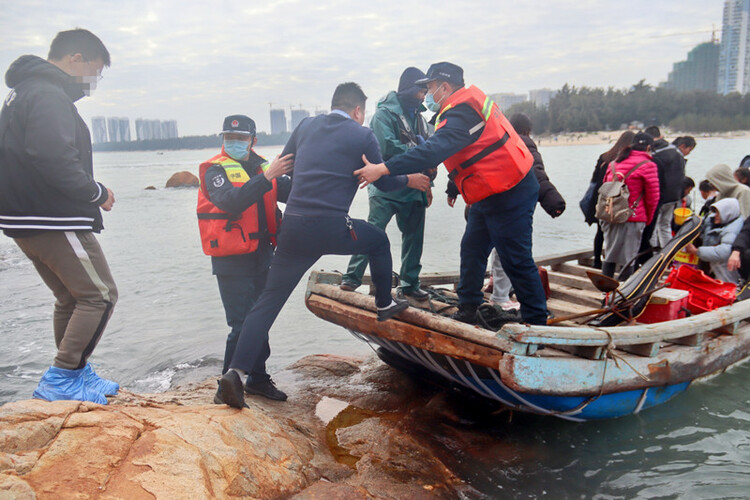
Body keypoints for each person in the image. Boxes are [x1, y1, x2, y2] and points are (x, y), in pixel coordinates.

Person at [219, 82, 414, 408]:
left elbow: (285, 168)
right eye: (362, 115)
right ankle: (383, 305)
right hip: (331, 227)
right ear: (357, 111)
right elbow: (387, 181)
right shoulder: (362, 135)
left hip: (293, 227)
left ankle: (235, 375)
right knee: (378, 241)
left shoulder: (306, 126)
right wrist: (412, 178)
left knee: (267, 301)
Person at [354, 62, 549, 326]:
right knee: (472, 249)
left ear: (445, 87)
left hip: (511, 189)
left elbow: (433, 151)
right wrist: (453, 186)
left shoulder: (462, 113)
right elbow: (475, 153)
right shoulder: (457, 111)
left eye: (430, 87)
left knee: (515, 257)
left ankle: (536, 322)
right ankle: (469, 308)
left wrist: (383, 168)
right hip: (490, 190)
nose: (427, 94)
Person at [0, 29, 119, 404]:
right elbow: (52, 157)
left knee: (70, 297)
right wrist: (96, 192)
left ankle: (76, 372)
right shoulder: (47, 94)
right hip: (51, 217)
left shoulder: (24, 92)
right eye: (94, 72)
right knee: (100, 295)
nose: (93, 82)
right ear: (75, 59)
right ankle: (63, 376)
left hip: (26, 217)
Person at [197, 115, 293, 405]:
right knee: (241, 323)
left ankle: (258, 380)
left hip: (263, 252)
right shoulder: (215, 169)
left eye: (241, 138)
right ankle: (225, 387)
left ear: (254, 140)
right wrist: (267, 177)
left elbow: (293, 192)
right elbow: (230, 200)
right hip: (231, 257)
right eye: (230, 137)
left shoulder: (265, 166)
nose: (234, 142)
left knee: (260, 320)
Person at [341, 67, 433, 299]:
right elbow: (386, 149)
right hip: (386, 187)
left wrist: (429, 182)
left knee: (414, 238)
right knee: (373, 231)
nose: (424, 95)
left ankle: (410, 284)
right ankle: (351, 278)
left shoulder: (420, 119)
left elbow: (431, 155)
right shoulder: (383, 115)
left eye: (425, 91)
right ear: (409, 90)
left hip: (415, 189)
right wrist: (419, 152)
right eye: (421, 90)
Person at [486, 112, 565, 310]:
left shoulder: (497, 139)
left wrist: (453, 189)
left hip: (486, 203)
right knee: (510, 251)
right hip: (512, 207)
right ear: (527, 130)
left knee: (490, 248)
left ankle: (492, 284)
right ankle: (501, 297)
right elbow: (537, 173)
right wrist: (554, 201)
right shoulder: (525, 143)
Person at [599, 132, 660, 281]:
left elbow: (605, 188)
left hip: (610, 215)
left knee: (610, 254)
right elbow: (653, 197)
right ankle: (623, 297)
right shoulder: (648, 165)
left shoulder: (614, 163)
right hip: (633, 217)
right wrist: (648, 219)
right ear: (648, 147)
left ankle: (605, 295)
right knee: (629, 258)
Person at [586, 131, 635, 268]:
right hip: (617, 197)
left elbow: (594, 179)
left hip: (601, 196)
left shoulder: (605, 157)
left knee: (600, 231)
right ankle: (617, 263)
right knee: (617, 232)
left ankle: (597, 261)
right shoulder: (624, 159)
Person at [684, 198, 743, 284]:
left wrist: (696, 251)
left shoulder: (733, 229)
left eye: (718, 213)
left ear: (727, 214)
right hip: (708, 261)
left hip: (724, 269)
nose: (715, 215)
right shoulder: (713, 219)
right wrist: (691, 221)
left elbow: (724, 252)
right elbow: (703, 221)